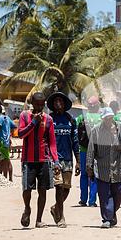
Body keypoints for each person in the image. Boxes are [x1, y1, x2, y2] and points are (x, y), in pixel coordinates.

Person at [18, 92, 59, 228]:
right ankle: (27, 209)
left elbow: (52, 142)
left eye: (42, 105)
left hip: (44, 160)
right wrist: (33, 122)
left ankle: (39, 220)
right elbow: (20, 134)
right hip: (28, 160)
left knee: (43, 190)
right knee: (27, 190)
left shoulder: (48, 119)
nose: (40, 107)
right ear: (32, 103)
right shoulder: (24, 116)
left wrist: (56, 161)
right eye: (37, 104)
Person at [86, 107, 121, 228]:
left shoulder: (119, 127)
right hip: (102, 168)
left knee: (118, 193)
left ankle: (112, 213)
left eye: (110, 118)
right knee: (104, 194)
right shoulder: (96, 131)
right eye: (106, 119)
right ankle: (106, 219)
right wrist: (89, 170)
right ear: (102, 119)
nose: (109, 121)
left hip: (117, 167)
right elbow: (91, 150)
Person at [48, 92, 81, 228]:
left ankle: (56, 208)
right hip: (55, 160)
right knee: (59, 187)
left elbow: (75, 141)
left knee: (66, 189)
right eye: (55, 100)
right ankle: (61, 217)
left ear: (65, 103)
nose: (58, 102)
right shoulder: (50, 119)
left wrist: (78, 161)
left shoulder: (71, 119)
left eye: (60, 100)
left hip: (68, 159)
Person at [76, 96, 102, 207]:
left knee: (84, 174)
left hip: (83, 150)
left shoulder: (81, 117)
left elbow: (77, 136)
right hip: (97, 150)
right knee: (95, 175)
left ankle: (83, 199)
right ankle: (92, 201)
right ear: (98, 106)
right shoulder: (102, 118)